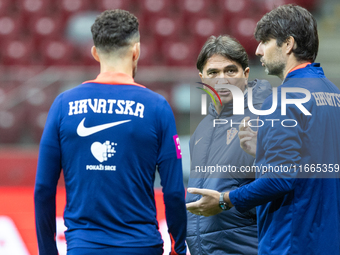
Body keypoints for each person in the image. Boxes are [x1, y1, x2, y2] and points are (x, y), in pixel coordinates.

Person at [185, 4, 340, 255]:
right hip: (326, 239)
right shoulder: (334, 94)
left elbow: (280, 178)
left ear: (287, 44)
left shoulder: (284, 99)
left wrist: (225, 201)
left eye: (265, 42)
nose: (258, 50)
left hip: (291, 241)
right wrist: (262, 152)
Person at [34, 9, 187, 255]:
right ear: (136, 50)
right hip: (142, 246)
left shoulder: (63, 105)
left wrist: (47, 251)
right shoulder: (157, 107)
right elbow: (174, 191)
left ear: (95, 52)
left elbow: (43, 188)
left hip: (84, 248)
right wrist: (178, 247)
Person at [186, 35, 272, 255]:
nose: (221, 79)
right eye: (213, 73)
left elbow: (280, 184)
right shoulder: (201, 130)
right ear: (202, 78)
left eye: (230, 71)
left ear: (246, 74)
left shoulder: (265, 117)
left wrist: (225, 203)